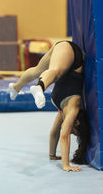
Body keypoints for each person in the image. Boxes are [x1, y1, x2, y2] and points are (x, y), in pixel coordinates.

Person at [9, 40, 90, 172]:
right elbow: (64, 135)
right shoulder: (73, 108)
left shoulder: (63, 112)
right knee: (55, 71)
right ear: (77, 123)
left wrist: (52, 155)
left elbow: (54, 132)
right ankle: (39, 87)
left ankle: (16, 87)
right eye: (74, 132)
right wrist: (66, 165)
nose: (70, 131)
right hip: (73, 56)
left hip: (63, 55)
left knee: (38, 70)